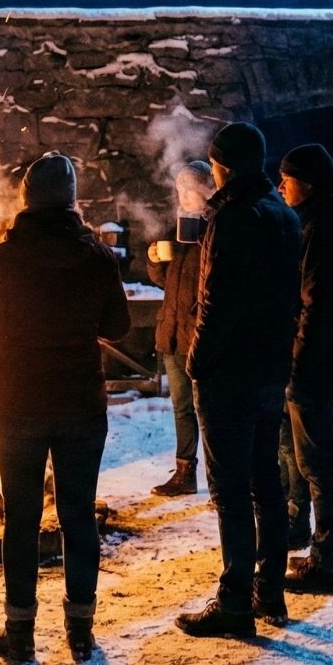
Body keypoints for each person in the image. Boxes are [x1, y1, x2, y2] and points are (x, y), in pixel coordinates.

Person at [0, 152, 130, 664]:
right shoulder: (96, 256)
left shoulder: (6, 258)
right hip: (80, 403)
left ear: (28, 199)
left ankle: (20, 631)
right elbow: (118, 326)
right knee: (78, 516)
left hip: (19, 404)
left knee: (21, 519)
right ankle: (80, 629)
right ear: (73, 199)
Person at [177, 121, 302, 637]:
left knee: (230, 489)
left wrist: (197, 362)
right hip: (270, 368)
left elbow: (216, 303)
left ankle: (234, 601)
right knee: (265, 482)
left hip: (229, 373)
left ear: (223, 166)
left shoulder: (231, 218)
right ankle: (268, 590)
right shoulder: (283, 214)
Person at [278, 143, 333, 593]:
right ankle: (328, 553)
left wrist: (296, 362)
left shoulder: (324, 229)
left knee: (320, 462)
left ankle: (329, 563)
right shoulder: (323, 222)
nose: (280, 187)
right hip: (322, 362)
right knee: (320, 459)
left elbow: (316, 307)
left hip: (318, 366)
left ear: (308, 184)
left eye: (287, 180)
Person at [146, 160, 213, 497]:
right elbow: (166, 282)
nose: (184, 196)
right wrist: (156, 260)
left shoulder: (214, 230)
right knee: (182, 408)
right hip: (173, 335)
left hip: (199, 336)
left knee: (207, 410)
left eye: (191, 189)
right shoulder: (177, 229)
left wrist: (200, 244)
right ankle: (185, 473)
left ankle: (220, 480)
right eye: (181, 190)